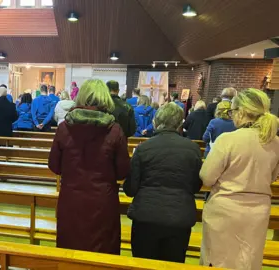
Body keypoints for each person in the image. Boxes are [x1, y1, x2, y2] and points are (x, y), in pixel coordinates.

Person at [48, 79, 130, 255]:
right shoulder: (115, 130)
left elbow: (54, 165)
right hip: (102, 201)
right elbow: (123, 171)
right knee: (102, 252)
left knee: (70, 252)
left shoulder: (64, 128)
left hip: (71, 199)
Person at [200, 88, 279, 269]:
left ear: (242, 112)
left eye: (233, 111)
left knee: (218, 259)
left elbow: (207, 177)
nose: (232, 116)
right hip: (258, 211)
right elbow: (273, 176)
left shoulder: (228, 140)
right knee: (248, 260)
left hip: (226, 210)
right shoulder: (274, 141)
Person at [123, 102, 203, 263]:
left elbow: (131, 188)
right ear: (180, 123)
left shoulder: (144, 148)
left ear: (156, 122)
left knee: (143, 264)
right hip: (179, 217)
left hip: (146, 215)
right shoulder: (192, 149)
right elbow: (196, 186)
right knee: (173, 263)